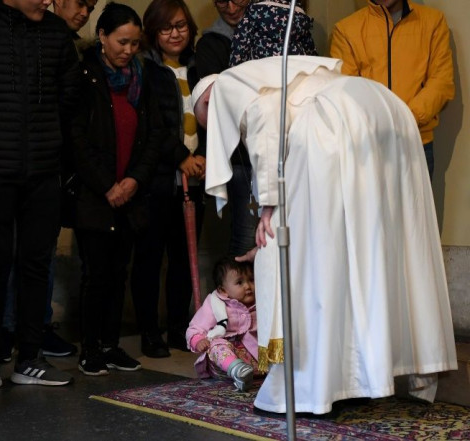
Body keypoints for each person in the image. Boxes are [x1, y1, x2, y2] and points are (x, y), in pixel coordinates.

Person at [192, 55, 457, 414]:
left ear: (209, 102)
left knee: (311, 256)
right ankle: (367, 374)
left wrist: (270, 203)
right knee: (374, 246)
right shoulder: (276, 80)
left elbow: (265, 127)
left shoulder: (226, 87)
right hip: (385, 106)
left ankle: (312, 386)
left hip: (333, 124)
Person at [0, 0, 79, 387]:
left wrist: (59, 154)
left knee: (37, 263)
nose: (47, 1)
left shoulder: (56, 32)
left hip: (44, 171)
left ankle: (30, 357)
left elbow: (69, 99)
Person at [72, 2, 161, 376]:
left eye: (135, 44)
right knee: (97, 273)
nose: (129, 51)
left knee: (119, 271)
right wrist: (108, 185)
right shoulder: (85, 76)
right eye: (122, 42)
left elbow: (153, 135)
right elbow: (76, 139)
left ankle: (111, 345)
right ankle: (90, 347)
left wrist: (133, 180)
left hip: (130, 191)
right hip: (97, 193)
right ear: (103, 37)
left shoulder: (143, 77)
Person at [130, 0, 202, 358]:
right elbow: (153, 124)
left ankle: (178, 329)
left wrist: (202, 158)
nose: (175, 34)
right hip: (157, 181)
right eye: (166, 28)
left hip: (195, 181)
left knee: (182, 257)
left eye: (181, 26)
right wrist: (181, 158)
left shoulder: (199, 67)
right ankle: (149, 332)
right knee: (149, 258)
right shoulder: (146, 69)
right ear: (153, 33)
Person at [330, 0, 454, 180]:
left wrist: (406, 118)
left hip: (416, 143)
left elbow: (441, 82)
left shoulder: (433, 22)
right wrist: (380, 122)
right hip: (367, 145)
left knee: (417, 209)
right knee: (369, 208)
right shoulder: (346, 29)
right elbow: (345, 89)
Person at [194, 0, 257, 258]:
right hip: (238, 153)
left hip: (279, 151)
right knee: (246, 236)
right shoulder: (211, 43)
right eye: (222, 1)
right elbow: (216, 102)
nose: (230, 8)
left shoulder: (269, 32)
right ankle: (239, 299)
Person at [186, 258, 258, 391]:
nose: (248, 286)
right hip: (224, 364)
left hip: (254, 360)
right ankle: (238, 371)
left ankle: (249, 375)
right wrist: (198, 340)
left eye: (251, 280)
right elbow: (195, 328)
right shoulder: (215, 304)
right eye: (240, 282)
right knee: (216, 344)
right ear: (223, 290)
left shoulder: (260, 302)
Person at [229, 0, 316, 67]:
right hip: (294, 70)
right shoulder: (300, 16)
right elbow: (310, 52)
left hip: (262, 72)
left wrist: (233, 72)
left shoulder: (253, 13)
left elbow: (240, 47)